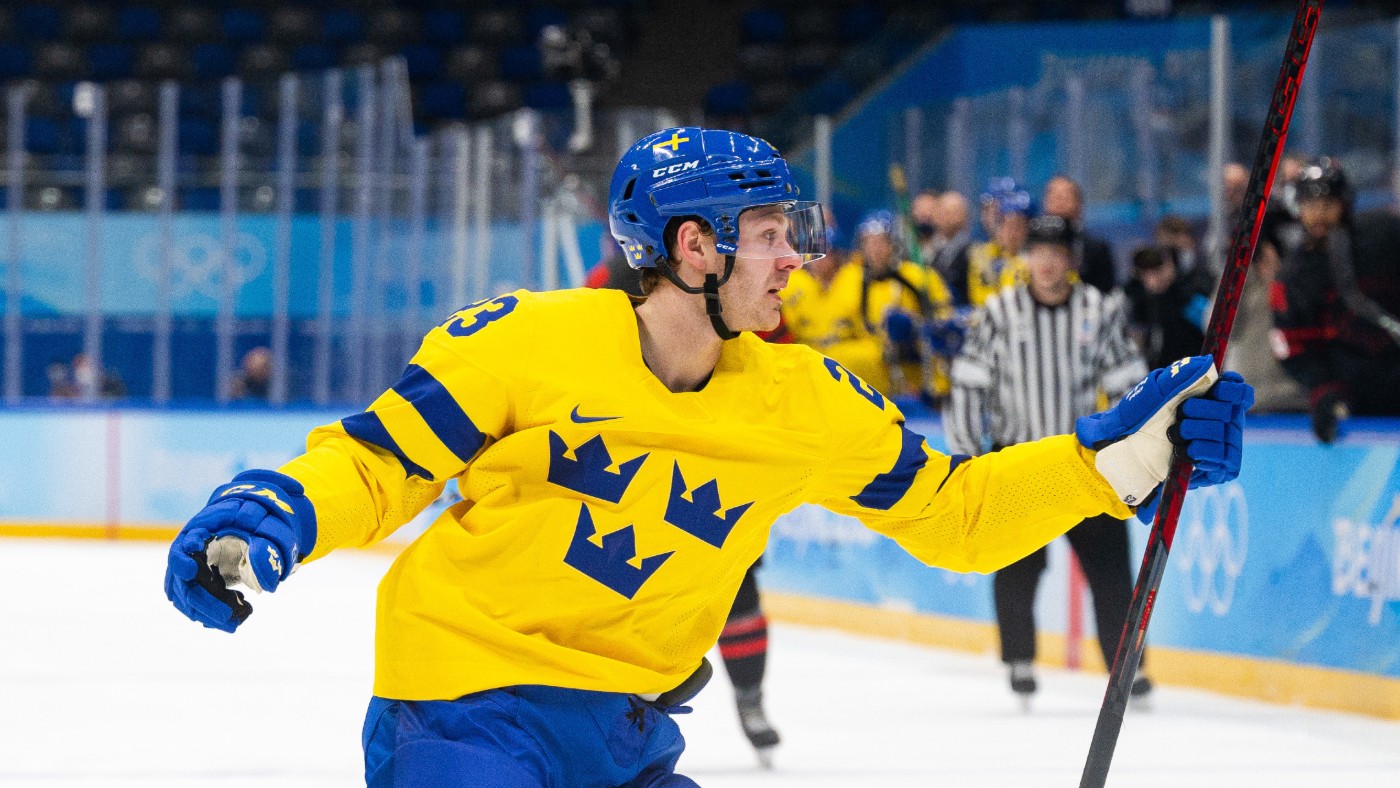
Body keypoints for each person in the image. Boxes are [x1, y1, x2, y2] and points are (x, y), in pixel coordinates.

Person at [164, 127, 1252, 787]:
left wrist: (1115, 463)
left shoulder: (800, 397)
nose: (796, 257)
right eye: (770, 234)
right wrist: (275, 510)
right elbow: (375, 463)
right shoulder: (525, 339)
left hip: (625, 734)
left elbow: (956, 512)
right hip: (468, 708)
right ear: (695, 247)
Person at [946, 215, 1178, 708]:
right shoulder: (999, 311)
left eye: (1057, 252)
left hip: (1084, 464)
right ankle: (1020, 659)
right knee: (1016, 567)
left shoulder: (1098, 309)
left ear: (1071, 258)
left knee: (1111, 571)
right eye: (1039, 251)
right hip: (1017, 461)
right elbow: (969, 382)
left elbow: (1127, 381)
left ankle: (1127, 666)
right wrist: (967, 454)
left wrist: (1138, 446)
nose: (1047, 261)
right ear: (1026, 257)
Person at [1271, 158, 1400, 442]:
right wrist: (1324, 391)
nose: (1319, 213)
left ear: (1345, 203)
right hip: (1357, 402)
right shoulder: (1294, 275)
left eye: (1328, 204)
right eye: (1310, 204)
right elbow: (1293, 347)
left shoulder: (1385, 235)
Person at [1124, 245, 1215, 370]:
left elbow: (1213, 328)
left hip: (1195, 371)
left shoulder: (1189, 295)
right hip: (1165, 373)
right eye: (1145, 272)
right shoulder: (1145, 300)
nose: (1151, 277)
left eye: (1157, 270)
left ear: (1172, 267)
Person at [947, 180, 1032, 308]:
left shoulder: (1034, 260)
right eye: (1005, 225)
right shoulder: (975, 253)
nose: (1011, 233)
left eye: (1018, 226)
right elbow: (956, 297)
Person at [1041, 175, 1118, 293]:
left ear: (1079, 204)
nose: (1059, 200)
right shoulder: (1031, 244)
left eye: (1065, 195)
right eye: (1054, 195)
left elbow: (1107, 290)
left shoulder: (1097, 249)